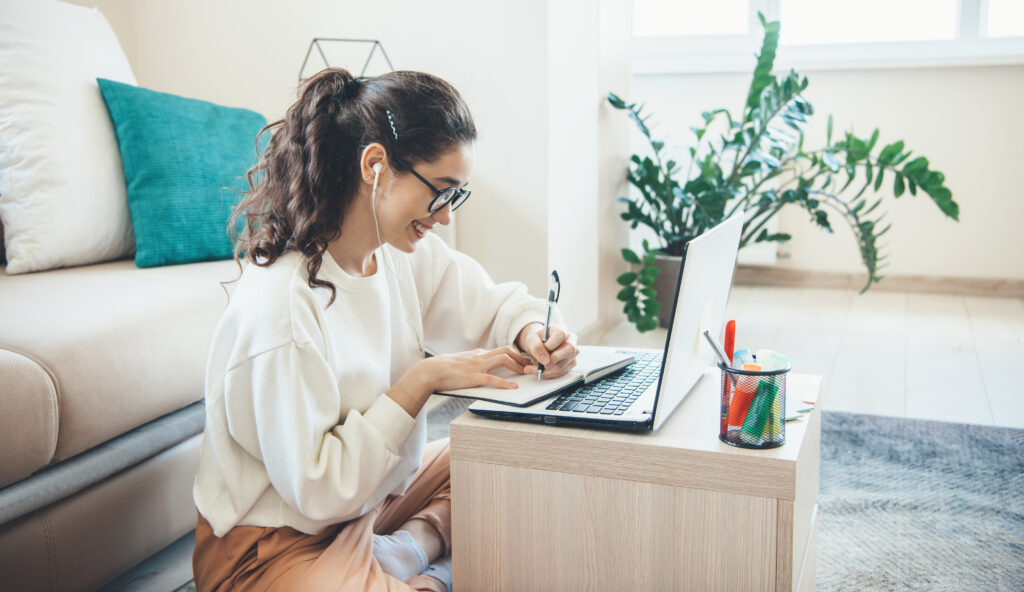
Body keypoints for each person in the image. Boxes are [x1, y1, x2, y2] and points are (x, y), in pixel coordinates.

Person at [190, 67, 579, 592]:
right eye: (440, 192)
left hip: (368, 505)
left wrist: (534, 330)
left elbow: (494, 307)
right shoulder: (283, 307)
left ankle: (409, 549)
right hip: (275, 544)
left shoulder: (392, 254)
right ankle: (429, 569)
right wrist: (420, 382)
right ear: (375, 164)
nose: (443, 217)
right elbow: (318, 490)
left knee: (522, 460)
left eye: (456, 197)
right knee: (500, 539)